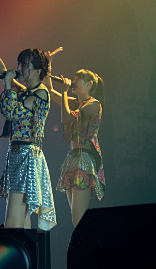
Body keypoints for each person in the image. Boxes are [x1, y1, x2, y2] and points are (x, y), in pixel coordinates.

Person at [0, 20, 56, 230]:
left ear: (37, 70)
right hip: (18, 155)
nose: (18, 69)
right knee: (20, 225)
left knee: (13, 224)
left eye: (24, 65)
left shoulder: (40, 94)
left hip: (26, 156)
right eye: (19, 64)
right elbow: (3, 71)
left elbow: (11, 111)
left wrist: (8, 84)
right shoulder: (27, 93)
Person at [50, 68, 106, 227]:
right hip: (72, 159)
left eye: (78, 79)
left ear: (89, 84)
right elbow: (50, 92)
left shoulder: (93, 104)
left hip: (84, 160)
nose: (74, 81)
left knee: (78, 216)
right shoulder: (76, 103)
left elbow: (66, 118)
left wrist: (64, 91)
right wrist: (48, 68)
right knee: (75, 218)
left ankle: (88, 242)